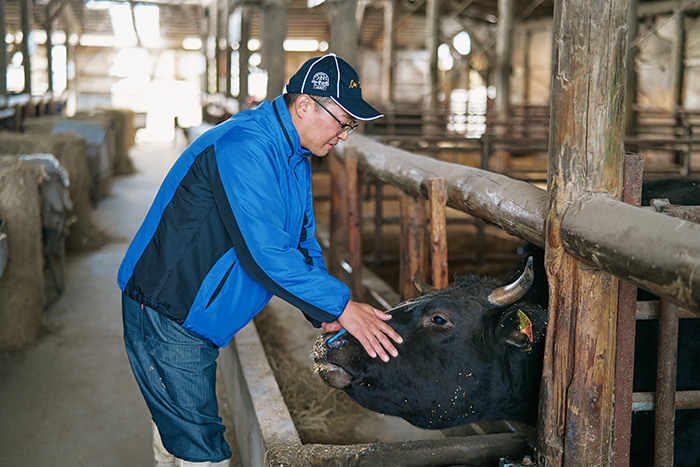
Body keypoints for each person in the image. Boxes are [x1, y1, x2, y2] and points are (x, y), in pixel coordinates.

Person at [117, 53, 403, 466]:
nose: (345, 135)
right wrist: (341, 305)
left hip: (197, 315)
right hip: (168, 309)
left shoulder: (295, 155)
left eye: (350, 125)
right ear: (304, 105)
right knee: (205, 452)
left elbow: (302, 243)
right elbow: (264, 255)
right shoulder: (246, 147)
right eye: (343, 121)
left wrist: (325, 314)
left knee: (180, 432)